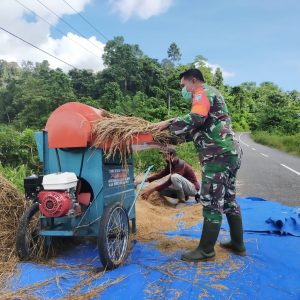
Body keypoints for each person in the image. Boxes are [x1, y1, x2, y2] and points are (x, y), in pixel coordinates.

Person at [152, 68, 246, 262]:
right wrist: (166, 136)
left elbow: (196, 118)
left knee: (212, 200)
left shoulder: (201, 93)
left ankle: (206, 250)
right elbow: (195, 129)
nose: (183, 89)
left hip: (217, 155)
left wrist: (169, 123)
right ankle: (238, 244)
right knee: (228, 199)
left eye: (183, 85)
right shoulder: (213, 94)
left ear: (193, 81)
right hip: (230, 153)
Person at [135, 147, 200, 205]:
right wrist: (140, 182)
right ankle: (185, 196)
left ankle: (181, 201)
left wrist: (151, 190)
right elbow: (159, 175)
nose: (163, 157)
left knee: (174, 177)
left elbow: (169, 182)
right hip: (185, 188)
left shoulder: (180, 164)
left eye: (165, 155)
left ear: (171, 155)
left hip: (193, 189)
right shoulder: (170, 164)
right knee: (160, 190)